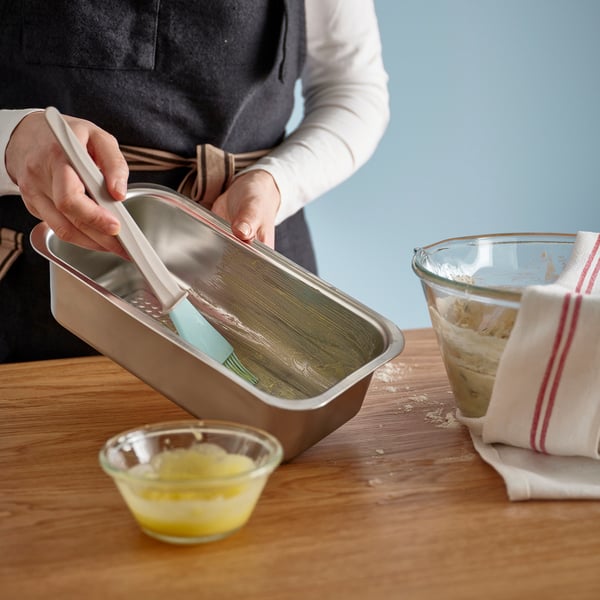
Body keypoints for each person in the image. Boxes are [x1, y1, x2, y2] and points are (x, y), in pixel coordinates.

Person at [0, 0, 389, 362]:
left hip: (257, 263)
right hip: (37, 285)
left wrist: (275, 182)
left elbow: (354, 89)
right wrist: (12, 141)